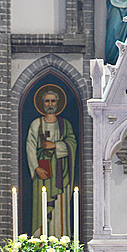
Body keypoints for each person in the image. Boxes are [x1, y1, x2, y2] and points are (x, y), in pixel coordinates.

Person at [26, 88, 77, 238]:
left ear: (57, 103)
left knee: (60, 206)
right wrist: (36, 168)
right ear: (42, 104)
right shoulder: (37, 124)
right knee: (41, 206)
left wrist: (55, 145)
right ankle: (39, 240)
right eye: (47, 101)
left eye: (53, 101)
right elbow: (30, 146)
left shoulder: (65, 124)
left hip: (61, 172)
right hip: (43, 171)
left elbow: (72, 143)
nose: (50, 104)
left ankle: (61, 239)